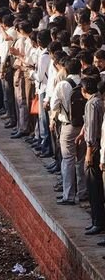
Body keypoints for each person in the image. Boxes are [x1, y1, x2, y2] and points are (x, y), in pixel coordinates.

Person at [50, 58, 87, 205]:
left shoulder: (62, 85)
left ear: (66, 70)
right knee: (81, 159)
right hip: (84, 126)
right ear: (80, 69)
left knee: (68, 160)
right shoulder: (84, 83)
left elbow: (54, 105)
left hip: (68, 125)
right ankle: (83, 192)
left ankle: (69, 195)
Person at [76, 76, 105, 234]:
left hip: (94, 148)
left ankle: (97, 221)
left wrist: (88, 152)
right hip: (98, 145)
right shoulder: (99, 101)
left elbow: (93, 130)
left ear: (84, 90)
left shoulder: (91, 104)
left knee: (94, 186)